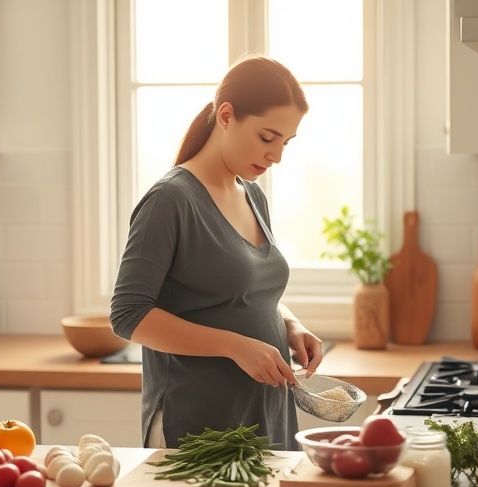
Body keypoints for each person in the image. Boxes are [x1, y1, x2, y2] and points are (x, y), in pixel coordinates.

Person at [110, 55, 325, 451]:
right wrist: (235, 345)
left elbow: (244, 292)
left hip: (264, 413)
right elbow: (128, 315)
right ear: (226, 116)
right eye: (267, 137)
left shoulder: (253, 195)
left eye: (285, 142)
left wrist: (290, 325)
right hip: (198, 425)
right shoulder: (170, 200)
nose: (277, 155)